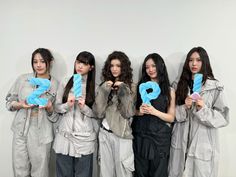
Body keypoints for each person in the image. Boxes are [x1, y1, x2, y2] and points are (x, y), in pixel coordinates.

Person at [168, 47, 229, 177]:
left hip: (203, 145)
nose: (194, 64)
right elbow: (171, 115)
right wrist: (184, 106)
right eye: (191, 60)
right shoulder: (178, 85)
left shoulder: (215, 87)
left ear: (204, 62)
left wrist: (203, 109)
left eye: (198, 60)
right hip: (179, 143)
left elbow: (223, 118)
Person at [6, 48, 59, 177]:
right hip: (21, 128)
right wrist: (20, 104)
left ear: (50, 62)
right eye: (35, 62)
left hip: (41, 132)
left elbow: (56, 116)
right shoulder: (23, 79)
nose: (38, 65)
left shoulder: (55, 84)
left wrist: (50, 107)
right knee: (20, 169)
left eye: (42, 61)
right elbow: (9, 102)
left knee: (40, 171)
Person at [53, 51, 97, 177]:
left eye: (84, 63)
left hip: (84, 138)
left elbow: (97, 114)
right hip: (64, 136)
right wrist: (68, 105)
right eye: (78, 62)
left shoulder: (95, 87)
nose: (80, 66)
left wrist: (84, 108)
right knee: (63, 173)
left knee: (83, 174)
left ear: (91, 67)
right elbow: (57, 107)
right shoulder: (65, 81)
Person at [132, 53, 175, 177]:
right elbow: (131, 111)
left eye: (153, 66)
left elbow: (171, 117)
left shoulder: (169, 90)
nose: (150, 69)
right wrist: (139, 112)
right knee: (140, 172)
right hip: (141, 136)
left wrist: (154, 111)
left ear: (160, 66)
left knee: (158, 173)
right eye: (147, 67)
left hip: (160, 138)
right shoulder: (140, 88)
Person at [93, 51, 136, 177]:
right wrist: (104, 91)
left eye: (118, 65)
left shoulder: (131, 86)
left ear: (124, 68)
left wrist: (123, 91)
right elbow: (99, 113)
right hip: (104, 133)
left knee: (123, 172)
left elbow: (128, 113)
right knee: (105, 173)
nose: (114, 69)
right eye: (112, 66)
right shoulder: (104, 85)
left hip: (122, 135)